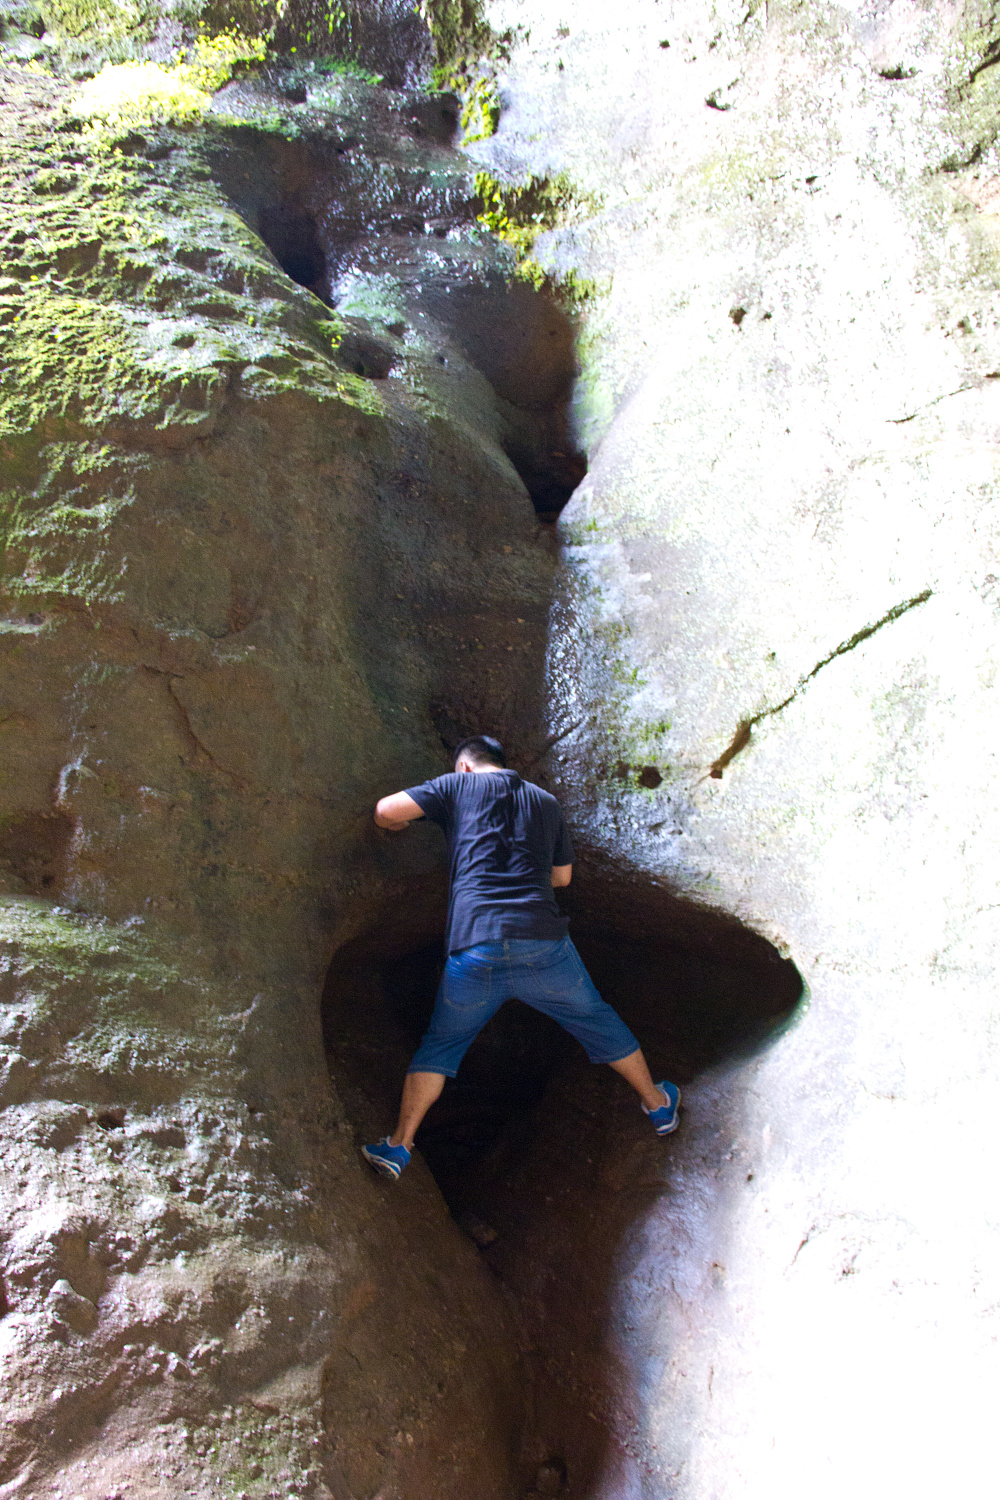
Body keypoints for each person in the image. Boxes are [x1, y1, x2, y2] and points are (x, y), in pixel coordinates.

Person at [361, 734, 680, 1180]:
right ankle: (658, 1105)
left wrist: (396, 828)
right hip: (542, 946)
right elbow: (563, 878)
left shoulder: (458, 787)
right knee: (597, 1019)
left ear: (465, 768)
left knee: (441, 1045)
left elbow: (385, 811)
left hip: (475, 947)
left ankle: (399, 1145)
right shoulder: (544, 801)